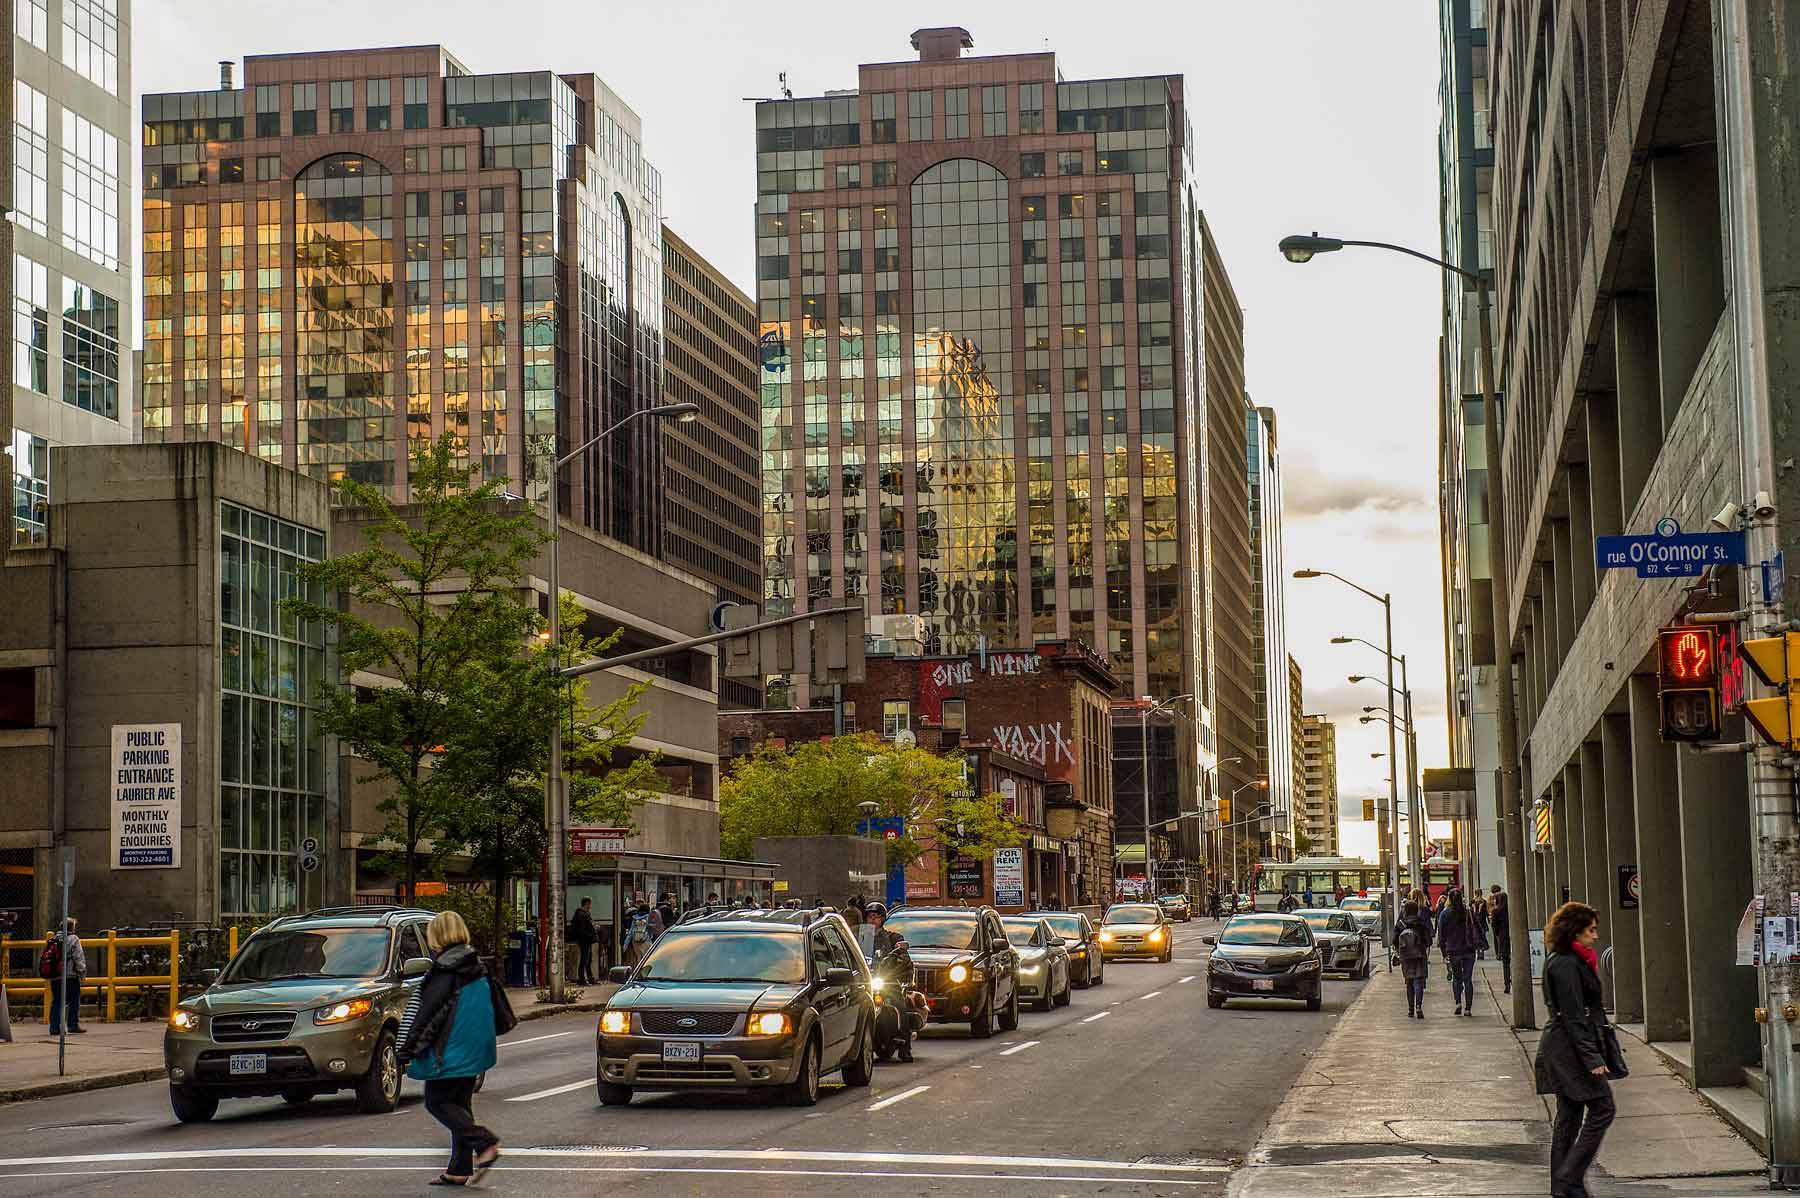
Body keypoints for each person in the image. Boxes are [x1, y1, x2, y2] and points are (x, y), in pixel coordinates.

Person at [398, 911, 502, 1188]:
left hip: (450, 1048)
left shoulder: (445, 969)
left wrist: (406, 1049)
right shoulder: (475, 963)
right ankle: (458, 1170)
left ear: (437, 935)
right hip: (476, 1048)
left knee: (437, 1102)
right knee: (459, 1106)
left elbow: (426, 1013)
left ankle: (485, 1143)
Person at [1535, 901, 1616, 1198]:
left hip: (1566, 1047)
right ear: (1575, 931)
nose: (1595, 936)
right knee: (1603, 1107)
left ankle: (1564, 1186)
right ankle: (1569, 1175)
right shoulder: (1566, 964)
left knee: (1569, 1117)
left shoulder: (1569, 960)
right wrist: (1592, 1058)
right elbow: (1573, 1015)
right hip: (1569, 1051)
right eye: (1591, 930)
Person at [1437, 888, 1480, 1016]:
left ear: (1449, 899)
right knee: (1468, 979)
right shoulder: (1468, 912)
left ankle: (1458, 1003)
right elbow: (1477, 927)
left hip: (1453, 950)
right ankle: (1468, 1008)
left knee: (1457, 978)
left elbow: (1441, 935)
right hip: (1469, 950)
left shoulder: (1445, 914)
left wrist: (1444, 953)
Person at [45, 918, 86, 1035]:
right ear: (71, 928)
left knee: (57, 1001)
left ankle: (54, 1027)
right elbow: (78, 957)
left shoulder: (53, 939)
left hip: (55, 976)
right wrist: (82, 972)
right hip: (70, 975)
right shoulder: (74, 939)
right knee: (74, 1000)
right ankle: (73, 1025)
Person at [1395, 899, 1434, 1018]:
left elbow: (1394, 940)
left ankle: (1410, 1009)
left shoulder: (1401, 924)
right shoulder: (1420, 923)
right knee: (1418, 981)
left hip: (1405, 957)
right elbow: (1428, 941)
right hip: (1419, 955)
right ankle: (1418, 1006)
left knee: (1409, 982)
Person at [569, 898, 598, 985]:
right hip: (584, 940)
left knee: (588, 960)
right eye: (589, 904)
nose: (590, 906)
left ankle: (589, 978)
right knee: (584, 959)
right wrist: (589, 935)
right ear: (586, 904)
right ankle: (582, 979)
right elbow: (582, 929)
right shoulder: (581, 915)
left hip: (586, 939)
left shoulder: (584, 914)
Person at [1490, 885, 1513, 993]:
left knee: (1506, 961)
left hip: (1503, 937)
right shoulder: (1511, 910)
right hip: (1512, 935)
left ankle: (1507, 983)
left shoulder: (1496, 911)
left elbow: (1494, 927)